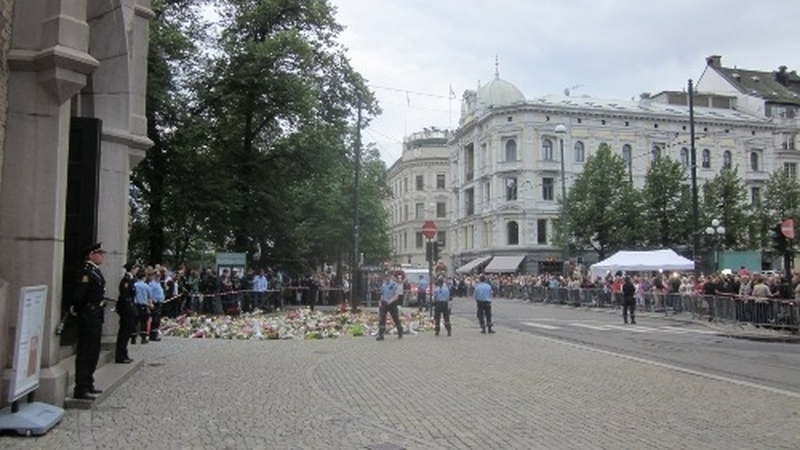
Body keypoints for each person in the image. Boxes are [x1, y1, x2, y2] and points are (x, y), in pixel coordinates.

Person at [70, 242, 107, 399]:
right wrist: (80, 311)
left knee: (93, 350)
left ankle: (88, 382)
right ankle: (81, 387)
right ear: (91, 254)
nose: (102, 256)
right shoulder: (86, 272)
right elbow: (79, 296)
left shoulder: (95, 271)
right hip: (88, 313)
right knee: (86, 351)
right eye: (99, 253)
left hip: (96, 313)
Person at [115, 261, 138, 364]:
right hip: (126, 309)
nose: (137, 270)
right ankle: (121, 355)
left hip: (129, 308)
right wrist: (130, 309)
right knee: (124, 333)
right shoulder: (126, 280)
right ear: (132, 268)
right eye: (136, 268)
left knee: (126, 333)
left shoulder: (130, 280)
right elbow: (125, 296)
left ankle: (124, 353)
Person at [377, 273, 403, 341]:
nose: (386, 278)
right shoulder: (383, 285)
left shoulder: (394, 285)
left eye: (388, 277)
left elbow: (396, 295)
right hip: (384, 303)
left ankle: (400, 331)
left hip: (392, 304)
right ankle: (381, 334)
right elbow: (382, 294)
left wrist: (391, 301)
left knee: (395, 318)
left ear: (390, 277)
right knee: (382, 319)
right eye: (385, 277)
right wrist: (380, 301)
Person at [133, 270, 151, 344]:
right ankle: (143, 338)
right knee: (144, 322)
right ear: (144, 277)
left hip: (135, 305)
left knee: (135, 322)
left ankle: (133, 338)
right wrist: (150, 304)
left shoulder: (135, 285)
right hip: (143, 305)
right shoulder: (146, 286)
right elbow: (149, 296)